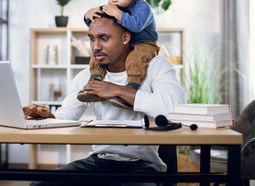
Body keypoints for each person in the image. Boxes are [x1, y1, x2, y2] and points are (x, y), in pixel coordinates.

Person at [23, 13, 186, 186]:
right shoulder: (88, 75)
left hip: (144, 165)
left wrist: (117, 90)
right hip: (99, 162)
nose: (95, 46)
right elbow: (69, 113)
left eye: (104, 38)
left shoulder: (155, 66)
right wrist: (48, 116)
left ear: (125, 38)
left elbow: (176, 107)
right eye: (92, 39)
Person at [77, 0, 160, 109]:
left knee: (136, 59)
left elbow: (136, 26)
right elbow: (99, 23)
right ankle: (95, 81)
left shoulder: (143, 8)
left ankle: (131, 89)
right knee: (97, 54)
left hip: (144, 42)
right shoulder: (115, 6)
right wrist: (87, 15)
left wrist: (118, 14)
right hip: (124, 43)